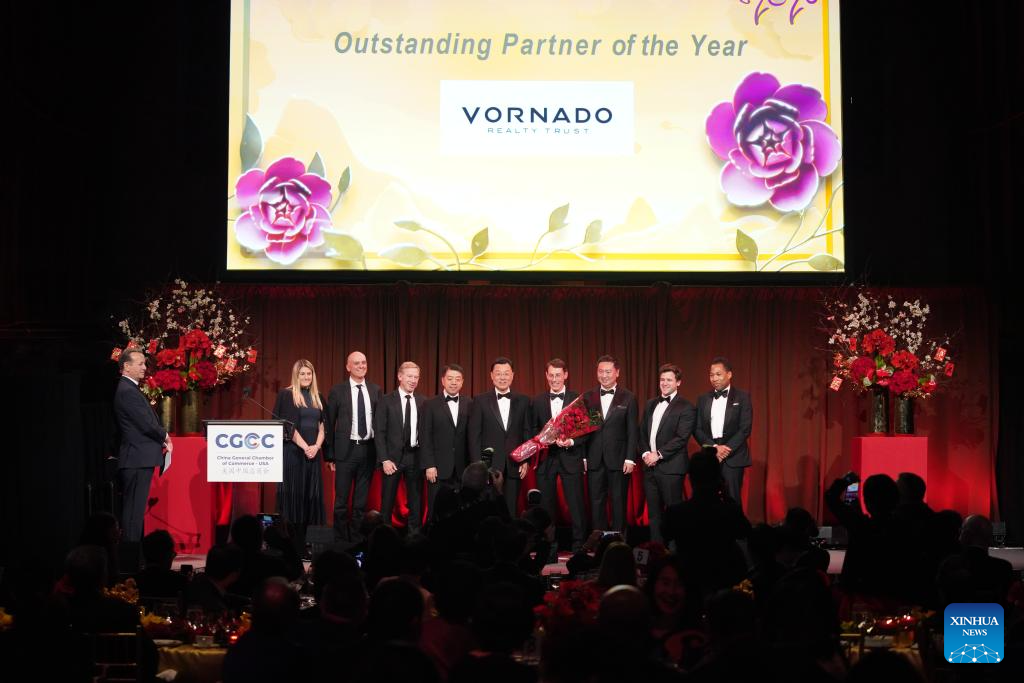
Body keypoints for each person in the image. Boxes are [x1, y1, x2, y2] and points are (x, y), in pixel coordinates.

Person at [529, 358, 588, 553]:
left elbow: (587, 430)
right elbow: (532, 429)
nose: (554, 379)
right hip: (545, 459)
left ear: (566, 375)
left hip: (570, 457)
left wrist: (571, 441)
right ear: (546, 376)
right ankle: (549, 547)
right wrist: (541, 441)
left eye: (558, 375)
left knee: (576, 503)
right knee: (546, 506)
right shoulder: (537, 401)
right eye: (551, 375)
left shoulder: (577, 399)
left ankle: (579, 546)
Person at [113, 348, 171, 543]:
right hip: (136, 459)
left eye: (144, 363)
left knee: (135, 512)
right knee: (133, 513)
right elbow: (145, 423)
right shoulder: (127, 391)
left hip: (139, 458)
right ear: (126, 367)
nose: (144, 367)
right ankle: (130, 554)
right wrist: (165, 436)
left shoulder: (130, 388)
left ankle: (133, 552)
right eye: (140, 364)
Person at [325, 350, 383, 541]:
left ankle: (357, 539)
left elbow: (380, 424)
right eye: (356, 363)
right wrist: (329, 455)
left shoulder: (375, 390)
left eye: (363, 362)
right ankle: (340, 540)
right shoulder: (337, 391)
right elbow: (329, 423)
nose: (361, 366)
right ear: (348, 367)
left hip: (368, 450)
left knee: (360, 502)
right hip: (345, 452)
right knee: (341, 501)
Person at [273, 359, 326, 556]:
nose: (306, 377)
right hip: (294, 454)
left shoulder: (318, 397)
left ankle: (304, 545)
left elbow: (323, 426)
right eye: (302, 374)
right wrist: (305, 447)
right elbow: (287, 426)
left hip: (313, 455)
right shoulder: (287, 395)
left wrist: (316, 447)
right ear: (296, 375)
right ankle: (293, 547)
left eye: (309, 373)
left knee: (308, 500)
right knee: (293, 500)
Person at [638, 364, 696, 543]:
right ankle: (656, 551)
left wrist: (658, 454)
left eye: (669, 380)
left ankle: (675, 552)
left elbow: (681, 438)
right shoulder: (650, 403)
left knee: (673, 514)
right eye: (662, 379)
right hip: (650, 467)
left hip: (671, 468)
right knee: (654, 515)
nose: (664, 383)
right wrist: (646, 454)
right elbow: (642, 433)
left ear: (678, 382)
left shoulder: (686, 407)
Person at [582, 355, 638, 534]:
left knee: (618, 502)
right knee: (596, 502)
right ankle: (598, 540)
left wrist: (630, 458)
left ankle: (619, 541)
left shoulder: (628, 397)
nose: (604, 375)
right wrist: (584, 457)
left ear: (617, 372)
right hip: (594, 458)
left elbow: (632, 431)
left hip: (619, 459)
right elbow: (585, 430)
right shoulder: (589, 397)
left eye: (608, 371)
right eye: (601, 371)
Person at [468, 357, 532, 515]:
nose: (502, 377)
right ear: (491, 375)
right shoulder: (480, 400)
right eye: (498, 373)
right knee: (488, 510)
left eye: (506, 373)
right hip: (488, 466)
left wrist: (525, 459)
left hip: (514, 464)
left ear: (512, 375)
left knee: (510, 510)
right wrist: (479, 467)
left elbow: (526, 431)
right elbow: (474, 436)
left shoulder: (524, 401)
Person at [376, 361, 427, 533]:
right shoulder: (386, 401)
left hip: (415, 456)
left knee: (415, 500)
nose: (413, 380)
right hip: (392, 459)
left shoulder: (423, 401)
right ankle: (384, 536)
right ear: (400, 377)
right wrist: (384, 459)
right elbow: (379, 432)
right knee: (387, 501)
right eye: (409, 376)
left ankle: (414, 536)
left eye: (416, 377)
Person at [694, 357, 752, 506]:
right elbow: (697, 428)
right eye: (711, 375)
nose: (714, 378)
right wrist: (714, 448)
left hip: (733, 456)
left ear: (729, 374)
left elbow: (745, 428)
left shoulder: (742, 397)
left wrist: (725, 450)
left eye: (718, 374)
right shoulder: (703, 399)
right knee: (708, 501)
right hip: (710, 456)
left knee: (732, 500)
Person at [419, 363, 472, 518]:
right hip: (438, 468)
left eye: (457, 379)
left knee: (461, 511)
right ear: (442, 380)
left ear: (462, 382)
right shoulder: (429, 404)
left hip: (462, 468)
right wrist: (429, 465)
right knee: (436, 510)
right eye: (450, 378)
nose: (453, 382)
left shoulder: (470, 403)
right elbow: (425, 436)